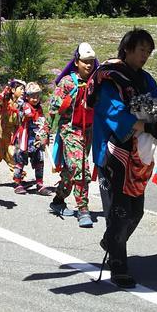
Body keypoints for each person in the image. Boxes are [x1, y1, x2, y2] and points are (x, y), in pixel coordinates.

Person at [90, 29, 157, 288]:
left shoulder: (145, 79)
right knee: (119, 211)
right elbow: (113, 113)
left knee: (136, 212)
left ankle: (112, 241)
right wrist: (144, 125)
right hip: (113, 154)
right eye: (142, 50)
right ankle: (119, 265)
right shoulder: (109, 78)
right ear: (126, 49)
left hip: (139, 155)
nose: (145, 56)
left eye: (149, 52)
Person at [48, 42, 98, 227]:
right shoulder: (67, 83)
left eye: (91, 62)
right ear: (76, 61)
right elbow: (53, 108)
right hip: (70, 131)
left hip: (88, 132)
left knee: (71, 172)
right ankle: (83, 209)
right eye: (85, 61)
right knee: (81, 169)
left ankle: (58, 201)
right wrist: (46, 131)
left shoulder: (96, 81)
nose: (88, 65)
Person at [11, 82, 51, 195]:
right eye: (32, 96)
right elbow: (21, 114)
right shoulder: (23, 105)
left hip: (36, 138)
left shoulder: (39, 108)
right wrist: (24, 111)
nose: (35, 99)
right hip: (24, 136)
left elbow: (42, 120)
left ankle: (39, 184)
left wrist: (45, 131)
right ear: (27, 96)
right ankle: (17, 183)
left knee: (39, 160)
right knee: (20, 160)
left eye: (37, 96)